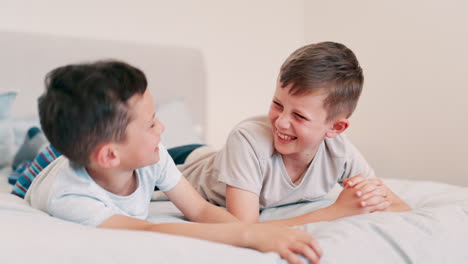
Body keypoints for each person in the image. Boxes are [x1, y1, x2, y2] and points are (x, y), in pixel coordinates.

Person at [23, 60, 322, 264]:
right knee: (33, 162)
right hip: (40, 176)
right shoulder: (70, 198)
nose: (162, 128)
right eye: (151, 123)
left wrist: (257, 232)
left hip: (91, 158)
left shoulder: (151, 155)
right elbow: (146, 231)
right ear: (112, 155)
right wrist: (246, 235)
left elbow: (200, 209)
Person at [172, 41, 411, 225]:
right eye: (277, 104)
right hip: (185, 162)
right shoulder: (248, 140)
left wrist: (369, 200)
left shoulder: (339, 151)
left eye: (299, 116)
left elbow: (399, 207)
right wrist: (335, 212)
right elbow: (244, 228)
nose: (282, 122)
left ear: (335, 128)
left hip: (218, 158)